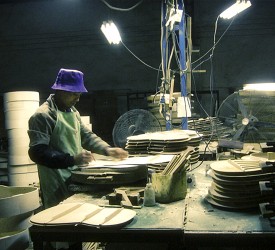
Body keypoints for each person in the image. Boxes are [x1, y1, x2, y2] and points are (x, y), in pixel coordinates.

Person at [28, 68, 128, 209]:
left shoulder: (73, 112)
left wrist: (108, 150)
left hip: (74, 176)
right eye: (74, 94)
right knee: (58, 217)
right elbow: (37, 152)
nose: (78, 99)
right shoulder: (44, 115)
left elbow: (86, 136)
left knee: (76, 213)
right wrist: (72, 160)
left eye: (79, 94)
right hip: (55, 180)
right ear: (61, 91)